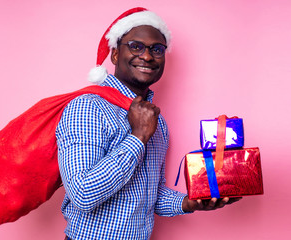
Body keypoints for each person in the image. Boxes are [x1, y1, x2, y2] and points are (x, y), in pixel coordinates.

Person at [56, 7, 240, 240]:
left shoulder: (157, 122)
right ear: (114, 54)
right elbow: (82, 194)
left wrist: (190, 202)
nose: (147, 56)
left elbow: (149, 195)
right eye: (135, 46)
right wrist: (138, 136)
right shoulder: (88, 107)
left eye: (157, 49)